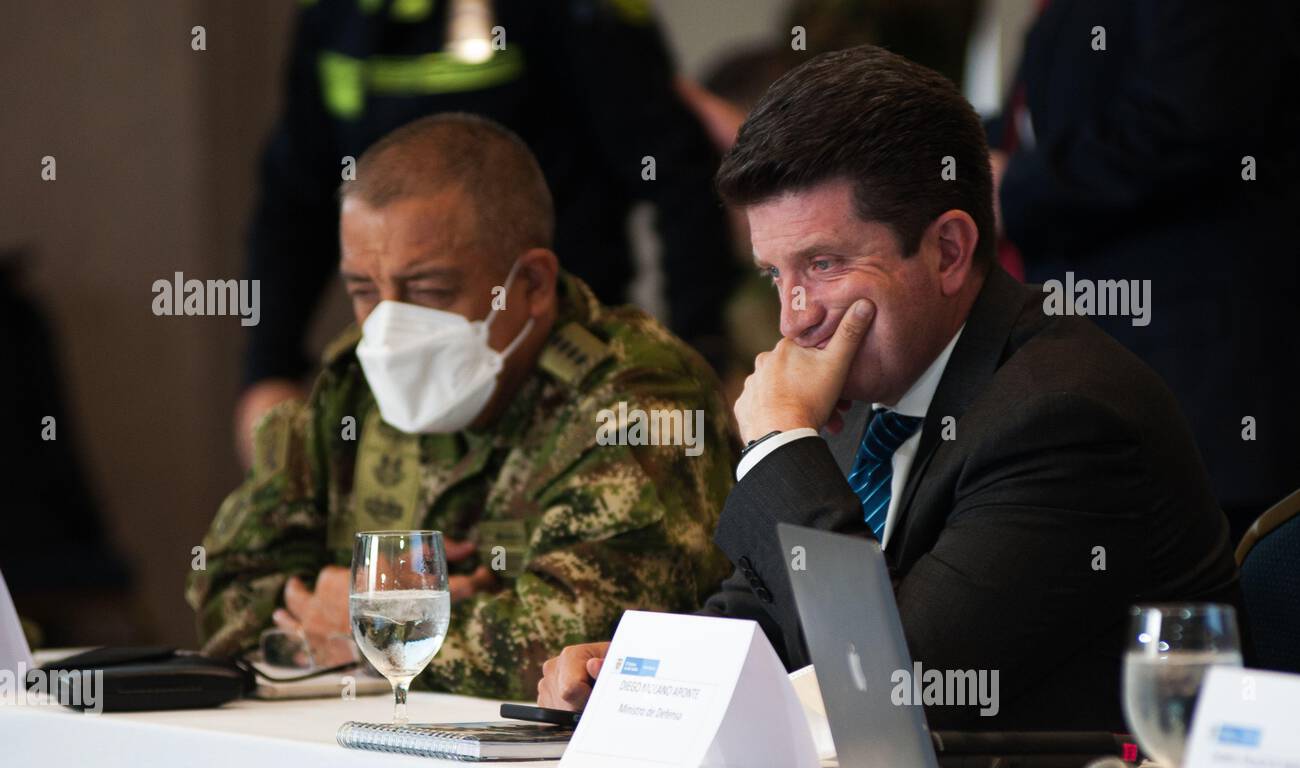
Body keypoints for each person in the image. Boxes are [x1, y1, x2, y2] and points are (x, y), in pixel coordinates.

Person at [537, 46, 1242, 730]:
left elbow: (898, 690)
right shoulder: (859, 390)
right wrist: (636, 677)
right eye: (775, 275)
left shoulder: (1063, 415)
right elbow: (765, 623)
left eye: (824, 264)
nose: (793, 319)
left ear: (948, 251)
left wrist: (781, 447)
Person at [188, 114, 737, 699]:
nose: (390, 326)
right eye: (364, 291)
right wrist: (376, 605)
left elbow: (583, 651)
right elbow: (224, 590)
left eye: (429, 290)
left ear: (532, 284)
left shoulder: (638, 398)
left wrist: (368, 621)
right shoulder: (353, 384)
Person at [235, 0, 736, 465]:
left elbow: (676, 176)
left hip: (556, 361)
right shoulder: (333, 13)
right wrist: (269, 371)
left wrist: (704, 352)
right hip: (409, 387)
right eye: (361, 289)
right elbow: (293, 200)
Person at [991, 0, 1300, 540]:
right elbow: (1038, 118)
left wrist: (1010, 187)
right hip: (1104, 388)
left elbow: (1186, 125)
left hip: (1205, 393)